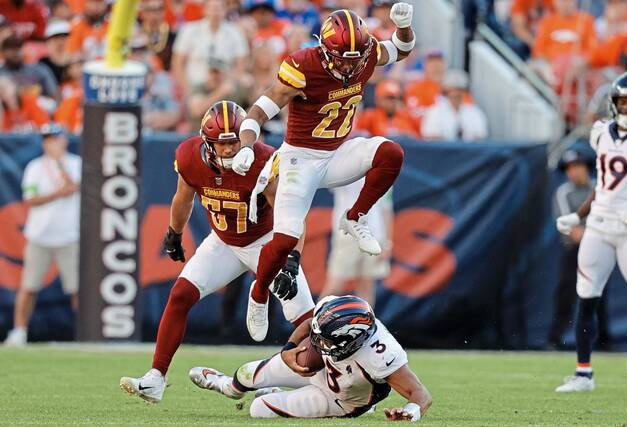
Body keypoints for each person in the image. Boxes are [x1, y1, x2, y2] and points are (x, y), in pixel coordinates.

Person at [235, 3, 415, 342]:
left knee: (390, 152)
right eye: (343, 58)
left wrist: (403, 26)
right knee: (286, 237)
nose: (350, 65)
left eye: (355, 58)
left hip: (337, 153)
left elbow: (402, 48)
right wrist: (246, 144)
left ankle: (356, 216)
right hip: (300, 158)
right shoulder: (303, 66)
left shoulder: (364, 53)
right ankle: (258, 296)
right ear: (325, 49)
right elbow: (260, 109)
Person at [119, 101, 315, 403]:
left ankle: (336, 382)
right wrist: (174, 233)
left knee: (306, 317)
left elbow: (291, 217)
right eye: (222, 144)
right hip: (223, 241)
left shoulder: (263, 159)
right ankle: (156, 377)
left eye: (235, 141)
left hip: (265, 242)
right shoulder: (188, 156)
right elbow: (182, 198)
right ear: (206, 142)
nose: (229, 150)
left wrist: (291, 260)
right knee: (181, 294)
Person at [189, 295, 432, 420]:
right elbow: (310, 323)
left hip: (339, 399)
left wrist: (411, 412)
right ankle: (226, 386)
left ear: (351, 342)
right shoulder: (337, 309)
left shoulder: (381, 355)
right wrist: (289, 349)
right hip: (322, 369)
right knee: (245, 374)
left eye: (324, 340)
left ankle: (275, 394)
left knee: (259, 409)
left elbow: (421, 395)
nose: (316, 342)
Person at [555, 71, 627, 392]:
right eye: (624, 102)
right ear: (614, 104)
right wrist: (578, 216)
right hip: (599, 226)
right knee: (586, 297)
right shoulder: (601, 133)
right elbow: (603, 187)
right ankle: (583, 374)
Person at [4, 123, 81, 346]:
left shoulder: (75, 163)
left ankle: (84, 333)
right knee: (28, 286)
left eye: (55, 138)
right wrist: (58, 193)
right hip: (39, 235)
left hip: (69, 235)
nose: (51, 143)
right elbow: (30, 200)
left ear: (64, 140)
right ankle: (19, 331)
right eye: (47, 139)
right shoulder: (35, 167)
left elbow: (73, 187)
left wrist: (59, 163)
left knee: (77, 289)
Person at [550, 148, 610, 349]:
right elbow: (572, 231)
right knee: (567, 292)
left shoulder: (599, 189)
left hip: (600, 250)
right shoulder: (563, 192)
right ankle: (555, 338)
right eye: (569, 168)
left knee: (599, 294)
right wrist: (594, 232)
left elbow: (608, 219)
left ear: (586, 167)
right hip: (574, 251)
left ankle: (604, 339)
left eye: (577, 166)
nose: (573, 172)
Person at [322, 179, 393, 306]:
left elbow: (387, 208)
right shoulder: (347, 164)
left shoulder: (386, 170)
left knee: (367, 285)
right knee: (335, 286)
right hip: (347, 235)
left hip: (375, 236)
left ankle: (365, 324)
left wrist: (387, 242)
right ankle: (316, 323)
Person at [171, 0, 249, 95]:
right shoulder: (189, 30)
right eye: (212, 8)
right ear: (204, 10)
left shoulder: (235, 31)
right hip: (196, 86)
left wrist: (232, 82)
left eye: (219, 8)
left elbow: (242, 63)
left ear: (225, 10)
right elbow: (177, 63)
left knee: (247, 82)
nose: (215, 12)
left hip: (226, 87)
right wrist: (187, 89)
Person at [421, 69, 488, 141]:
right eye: (453, 90)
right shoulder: (434, 112)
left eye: (460, 89)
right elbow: (430, 137)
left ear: (465, 92)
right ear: (446, 91)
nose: (456, 93)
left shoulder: (475, 112)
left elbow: (481, 137)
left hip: (468, 151)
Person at [355, 79, 420, 138]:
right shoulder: (370, 116)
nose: (392, 102)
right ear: (379, 99)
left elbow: (418, 138)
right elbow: (358, 137)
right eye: (388, 98)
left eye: (394, 98)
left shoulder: (406, 116)